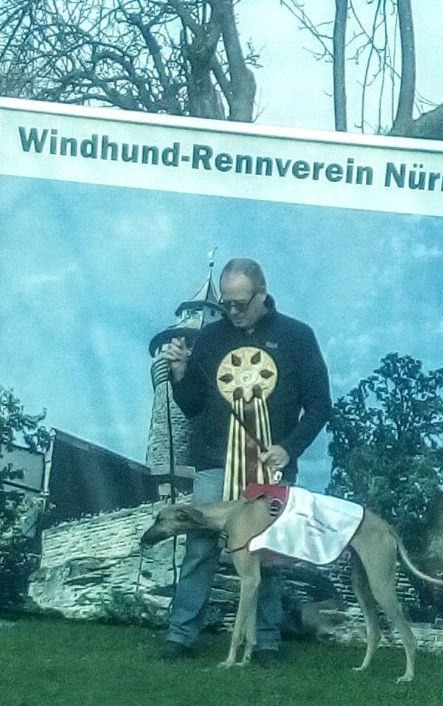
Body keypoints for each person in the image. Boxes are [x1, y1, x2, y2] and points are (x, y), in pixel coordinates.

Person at [158, 257, 331, 666]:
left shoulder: (297, 336)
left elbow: (321, 406)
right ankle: (181, 634)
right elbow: (195, 407)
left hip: (271, 468)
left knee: (268, 554)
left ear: (262, 293)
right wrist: (182, 375)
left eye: (239, 303)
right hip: (215, 465)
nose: (232, 312)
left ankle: (266, 642)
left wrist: (289, 448)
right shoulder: (210, 338)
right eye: (227, 305)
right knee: (200, 547)